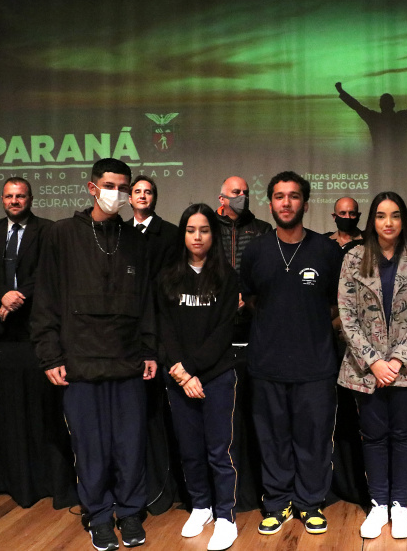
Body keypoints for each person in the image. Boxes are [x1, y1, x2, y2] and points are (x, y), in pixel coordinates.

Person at [31, 158, 157, 551]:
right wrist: (50, 354)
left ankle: (131, 510)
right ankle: (99, 515)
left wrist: (151, 348)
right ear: (91, 187)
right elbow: (46, 296)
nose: (117, 193)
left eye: (123, 186)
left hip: (128, 359)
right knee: (91, 445)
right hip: (80, 360)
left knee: (130, 443)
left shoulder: (136, 238)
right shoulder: (61, 234)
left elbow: (147, 301)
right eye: (109, 185)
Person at [240, 171, 343, 536]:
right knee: (272, 438)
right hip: (267, 363)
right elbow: (250, 298)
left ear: (305, 203)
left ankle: (310, 503)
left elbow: (338, 304)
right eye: (279, 196)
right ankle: (278, 503)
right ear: (270, 203)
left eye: (294, 196)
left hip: (315, 364)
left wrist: (310, 325)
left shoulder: (327, 250)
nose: (286, 202)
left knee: (313, 439)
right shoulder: (255, 249)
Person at [336, 192, 407, 540]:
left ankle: (399, 505)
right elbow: (346, 316)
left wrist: (396, 361)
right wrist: (375, 361)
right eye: (381, 216)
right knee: (374, 436)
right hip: (366, 369)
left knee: (405, 436)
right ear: (372, 221)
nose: (388, 222)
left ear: (403, 220)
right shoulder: (354, 258)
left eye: (394, 215)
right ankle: (379, 504)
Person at [156, 204, 240, 551]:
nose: (197, 236)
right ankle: (201, 506)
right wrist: (180, 371)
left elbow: (223, 332)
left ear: (213, 235)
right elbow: (165, 328)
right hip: (179, 378)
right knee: (190, 451)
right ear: (183, 234)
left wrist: (192, 370)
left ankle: (225, 516)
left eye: (204, 230)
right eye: (191, 230)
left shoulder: (227, 276)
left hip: (216, 376)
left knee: (218, 451)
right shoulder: (167, 276)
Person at [0, 177, 52, 341]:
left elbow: (48, 269)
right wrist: (3, 295)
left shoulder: (48, 229)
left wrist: (18, 296)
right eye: (9, 196)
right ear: (2, 200)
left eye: (20, 196)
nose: (14, 201)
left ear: (30, 200)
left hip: (34, 319)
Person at [215, 175, 271, 341]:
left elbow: (266, 271)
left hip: (252, 313)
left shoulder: (262, 229)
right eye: (236, 192)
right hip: (216, 311)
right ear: (222, 199)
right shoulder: (208, 227)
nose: (242, 197)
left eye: (245, 193)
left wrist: (247, 296)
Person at [335, 81, 407, 159]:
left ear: (380, 105)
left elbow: (356, 106)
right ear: (393, 104)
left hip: (385, 163)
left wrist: (341, 91)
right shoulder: (401, 118)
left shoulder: (374, 118)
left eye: (384, 102)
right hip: (397, 163)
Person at [128, 175, 179, 280]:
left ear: (154, 198)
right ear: (130, 199)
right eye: (137, 192)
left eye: (147, 192)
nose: (142, 196)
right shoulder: (121, 230)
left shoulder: (171, 233)